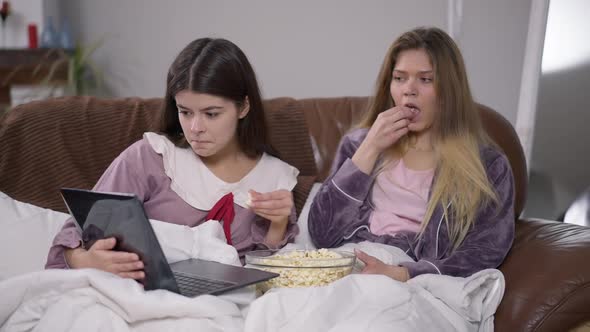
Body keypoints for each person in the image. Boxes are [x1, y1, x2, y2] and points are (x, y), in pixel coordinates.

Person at [45, 38, 299, 281]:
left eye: (211, 114)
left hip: (225, 307)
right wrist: (85, 261)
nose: (195, 127)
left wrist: (278, 225)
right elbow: (76, 231)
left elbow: (277, 276)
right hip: (139, 294)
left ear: (243, 107)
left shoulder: (274, 178)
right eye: (185, 112)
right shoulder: (151, 157)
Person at [308, 27, 515, 281]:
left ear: (450, 90)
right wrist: (371, 147)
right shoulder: (358, 145)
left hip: (412, 280)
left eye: (426, 79)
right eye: (399, 78)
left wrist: (402, 273)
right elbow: (321, 233)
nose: (409, 89)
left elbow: (483, 253)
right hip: (347, 265)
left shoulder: (488, 166)